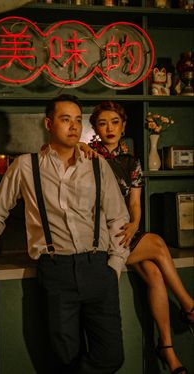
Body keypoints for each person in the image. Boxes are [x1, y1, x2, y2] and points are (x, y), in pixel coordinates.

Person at [0, 94, 130, 374]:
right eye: (65, 119)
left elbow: (119, 219)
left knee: (111, 357)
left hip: (97, 268)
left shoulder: (96, 164)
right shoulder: (25, 166)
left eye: (78, 120)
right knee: (64, 359)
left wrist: (113, 267)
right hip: (56, 271)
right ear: (48, 123)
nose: (74, 126)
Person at [81, 100, 193, 374]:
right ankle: (189, 306)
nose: (109, 128)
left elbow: (135, 203)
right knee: (157, 243)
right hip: (97, 235)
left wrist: (134, 225)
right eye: (103, 123)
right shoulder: (87, 155)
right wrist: (81, 147)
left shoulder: (131, 161)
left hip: (123, 231)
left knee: (155, 274)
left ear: (123, 126)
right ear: (95, 128)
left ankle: (167, 350)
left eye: (115, 122)